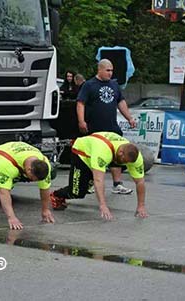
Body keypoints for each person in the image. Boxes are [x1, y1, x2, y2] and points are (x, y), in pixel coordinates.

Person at [50, 131, 148, 220]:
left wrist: (141, 206)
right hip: (83, 152)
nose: (125, 165)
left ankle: (85, 184)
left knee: (86, 186)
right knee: (77, 192)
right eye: (124, 162)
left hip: (100, 151)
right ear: (121, 153)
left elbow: (140, 182)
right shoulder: (103, 152)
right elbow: (99, 180)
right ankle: (56, 195)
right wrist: (103, 205)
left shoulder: (136, 157)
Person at [76, 59, 136, 194]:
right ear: (100, 70)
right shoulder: (89, 85)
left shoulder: (114, 85)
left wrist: (130, 118)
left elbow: (121, 102)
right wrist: (81, 121)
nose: (110, 73)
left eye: (112, 71)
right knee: (93, 156)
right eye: (108, 70)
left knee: (117, 154)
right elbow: (80, 103)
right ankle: (90, 183)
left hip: (112, 128)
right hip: (95, 128)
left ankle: (117, 184)